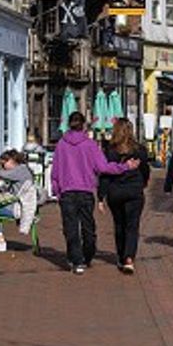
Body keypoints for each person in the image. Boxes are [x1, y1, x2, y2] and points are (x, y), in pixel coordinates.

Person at [51, 111, 139, 274]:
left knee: (70, 228)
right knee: (88, 228)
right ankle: (87, 255)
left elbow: (55, 171)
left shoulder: (61, 145)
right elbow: (103, 167)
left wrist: (57, 191)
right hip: (85, 192)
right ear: (84, 125)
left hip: (67, 193)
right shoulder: (90, 145)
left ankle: (77, 261)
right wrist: (125, 166)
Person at [97, 119, 150, 273]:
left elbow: (104, 174)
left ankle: (121, 256)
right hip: (134, 191)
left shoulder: (110, 150)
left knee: (119, 225)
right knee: (132, 226)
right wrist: (144, 182)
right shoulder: (139, 149)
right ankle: (129, 258)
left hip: (116, 192)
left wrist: (101, 196)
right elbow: (145, 169)